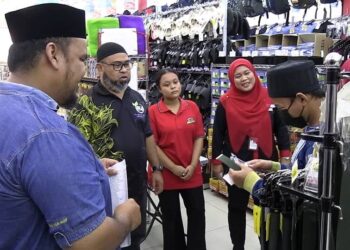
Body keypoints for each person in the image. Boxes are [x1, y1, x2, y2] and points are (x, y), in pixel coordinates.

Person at [0, 3, 141, 250]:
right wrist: (124, 219)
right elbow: (90, 243)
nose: (82, 69)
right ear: (53, 55)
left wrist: (88, 167)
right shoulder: (47, 133)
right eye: (81, 58)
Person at [77, 42, 164, 250]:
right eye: (117, 65)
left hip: (137, 183)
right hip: (105, 188)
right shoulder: (86, 103)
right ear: (99, 68)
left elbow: (148, 135)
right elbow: (77, 151)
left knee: (135, 237)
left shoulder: (137, 99)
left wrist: (157, 168)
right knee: (111, 241)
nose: (124, 69)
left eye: (127, 64)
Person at [211, 58, 291, 250]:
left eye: (247, 73)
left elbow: (281, 128)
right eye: (238, 76)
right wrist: (216, 161)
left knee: (269, 207)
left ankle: (269, 244)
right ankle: (237, 246)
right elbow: (218, 132)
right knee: (236, 207)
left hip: (266, 160)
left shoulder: (269, 97)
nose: (244, 78)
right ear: (231, 79)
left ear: (254, 73)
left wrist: (285, 156)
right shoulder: (225, 101)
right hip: (236, 161)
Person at [229, 60, 325, 201]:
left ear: (302, 99)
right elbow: (302, 172)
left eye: (281, 107)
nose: (280, 113)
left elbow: (301, 197)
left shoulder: (323, 141)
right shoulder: (312, 127)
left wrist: (251, 182)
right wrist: (274, 166)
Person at [148, 69, 206, 250]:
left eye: (175, 82)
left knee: (197, 214)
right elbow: (154, 145)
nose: (173, 86)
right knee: (171, 219)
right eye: (167, 84)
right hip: (166, 174)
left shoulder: (192, 107)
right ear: (159, 89)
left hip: (192, 171)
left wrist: (193, 164)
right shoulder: (153, 112)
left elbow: (198, 136)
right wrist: (173, 168)